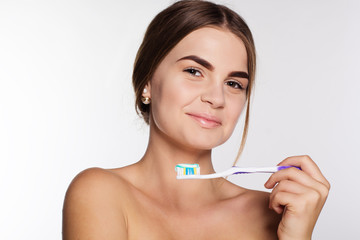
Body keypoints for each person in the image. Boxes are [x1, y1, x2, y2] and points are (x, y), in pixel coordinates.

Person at [62, 1, 330, 239]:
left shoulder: (276, 215)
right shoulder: (100, 194)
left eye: (234, 83)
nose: (217, 98)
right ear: (147, 83)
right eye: (194, 71)